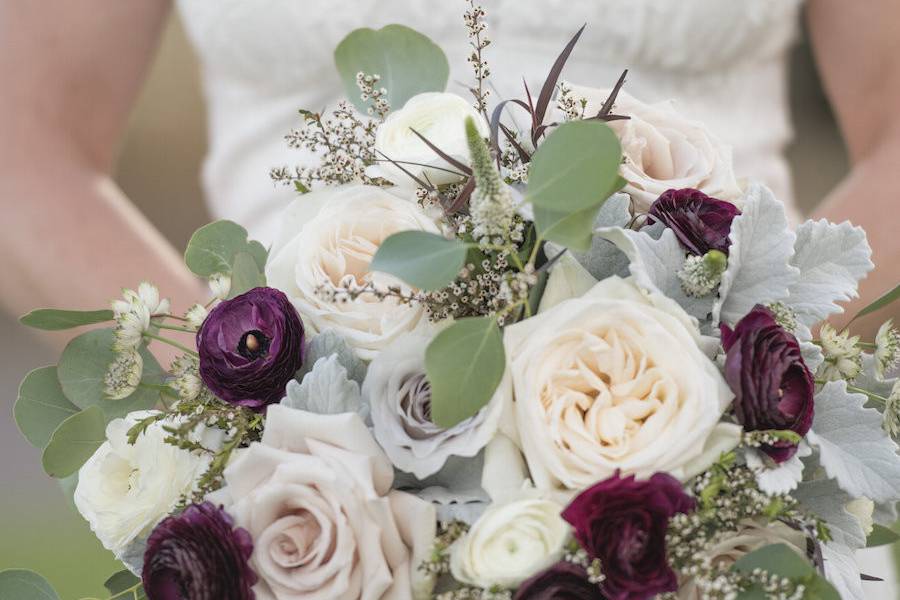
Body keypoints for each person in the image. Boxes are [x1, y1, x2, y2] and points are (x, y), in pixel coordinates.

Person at [1, 0, 898, 338]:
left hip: (720, 523)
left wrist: (751, 385)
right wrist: (232, 413)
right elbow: (23, 145)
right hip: (303, 532)